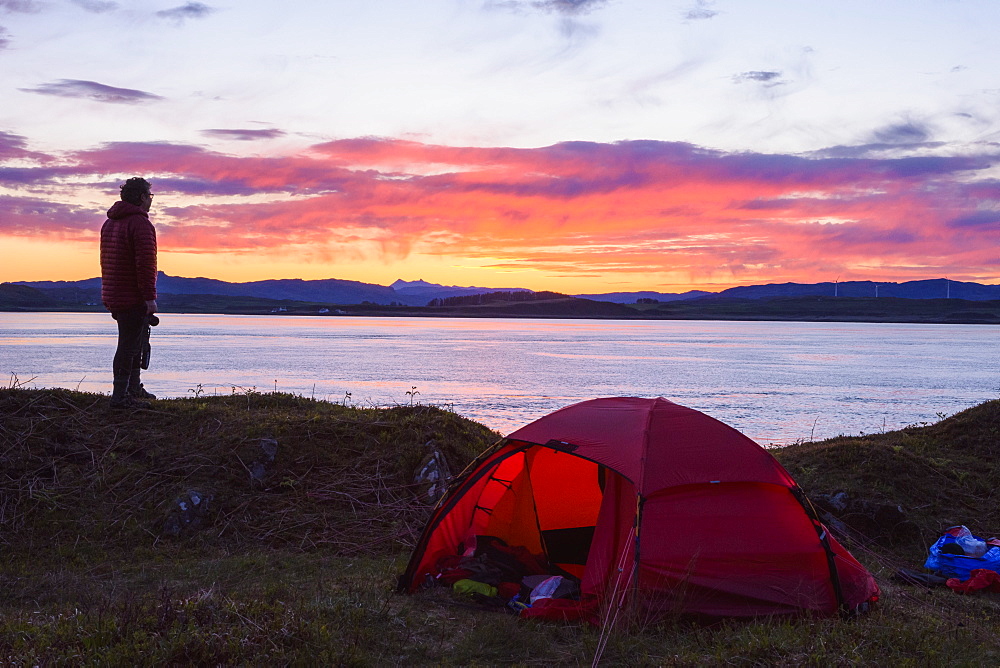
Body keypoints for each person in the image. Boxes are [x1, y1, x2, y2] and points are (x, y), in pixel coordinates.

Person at [100, 177, 158, 409]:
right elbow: (145, 264)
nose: (151, 201)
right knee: (128, 344)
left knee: (134, 341)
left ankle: (133, 388)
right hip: (131, 294)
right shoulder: (140, 224)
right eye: (150, 196)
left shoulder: (110, 223)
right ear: (142, 197)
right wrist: (149, 298)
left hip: (114, 292)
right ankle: (120, 397)